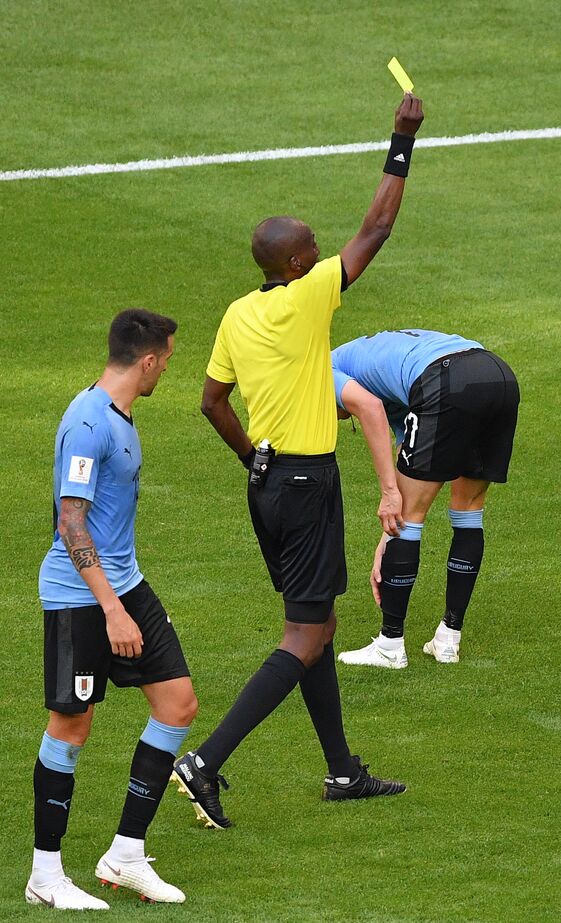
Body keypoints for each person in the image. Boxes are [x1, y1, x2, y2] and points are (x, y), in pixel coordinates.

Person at [170, 93, 424, 830]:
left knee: (317, 624)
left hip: (269, 485)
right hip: (309, 484)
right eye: (311, 247)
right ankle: (205, 759)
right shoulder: (308, 296)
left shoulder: (238, 313)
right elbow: (378, 226)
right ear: (292, 263)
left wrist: (254, 457)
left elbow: (214, 401)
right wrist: (401, 140)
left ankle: (343, 769)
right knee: (304, 636)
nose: (320, 253)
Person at [29, 310, 196, 909]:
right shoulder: (87, 423)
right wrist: (111, 610)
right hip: (81, 595)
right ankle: (45, 876)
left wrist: (124, 600)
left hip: (126, 584)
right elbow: (70, 521)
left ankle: (125, 854)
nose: (166, 370)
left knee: (178, 704)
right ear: (148, 360)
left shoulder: (120, 416)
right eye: (168, 360)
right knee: (72, 726)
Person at [330, 329, 519, 668]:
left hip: (445, 380)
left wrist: (389, 495)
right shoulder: (374, 363)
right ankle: (448, 639)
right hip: (497, 375)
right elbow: (410, 451)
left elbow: (368, 407)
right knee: (469, 511)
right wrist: (386, 538)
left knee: (411, 518)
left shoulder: (320, 371)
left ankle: (390, 645)